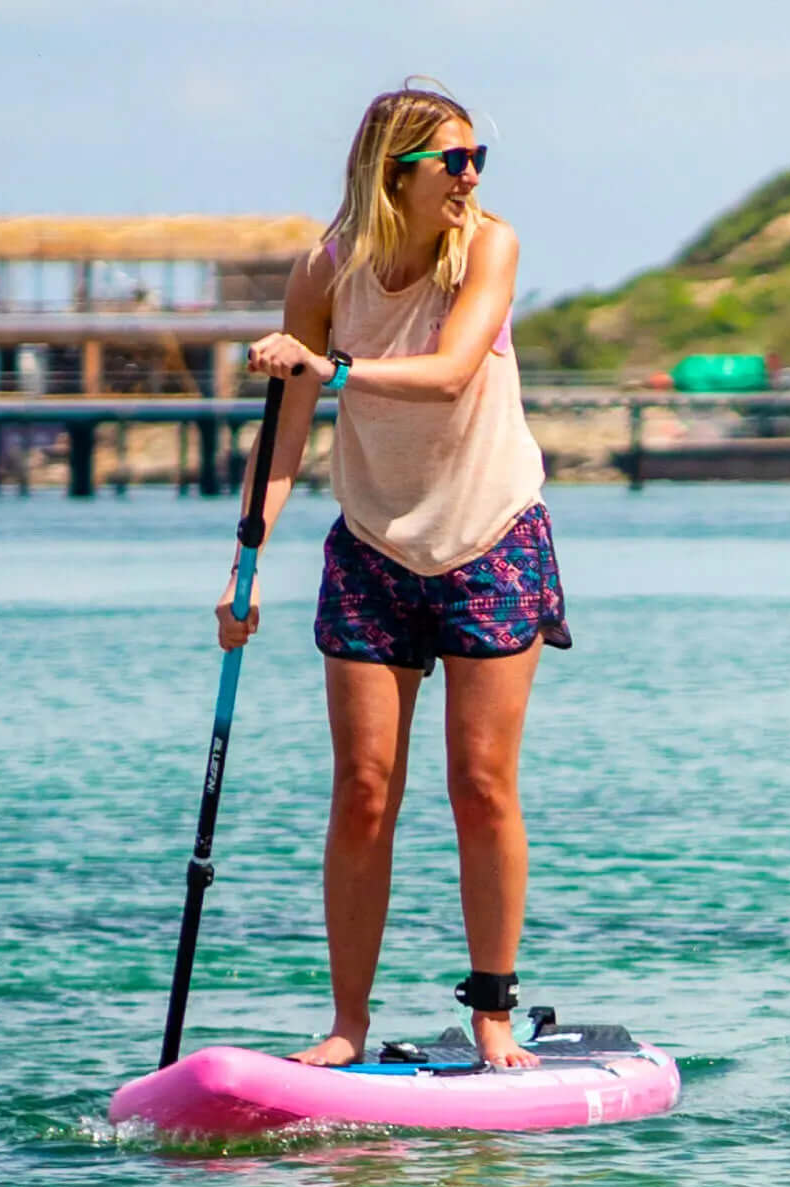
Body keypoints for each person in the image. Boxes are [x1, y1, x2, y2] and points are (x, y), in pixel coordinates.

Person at [216, 84, 571, 1068]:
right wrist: (243, 566)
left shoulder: (486, 247)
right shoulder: (326, 273)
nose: (469, 178)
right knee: (365, 786)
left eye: (475, 161)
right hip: (372, 546)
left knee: (479, 781)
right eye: (450, 163)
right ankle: (347, 1022)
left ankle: (494, 1009)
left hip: (489, 538)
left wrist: (326, 370)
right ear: (394, 173)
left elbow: (455, 370)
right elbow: (283, 439)